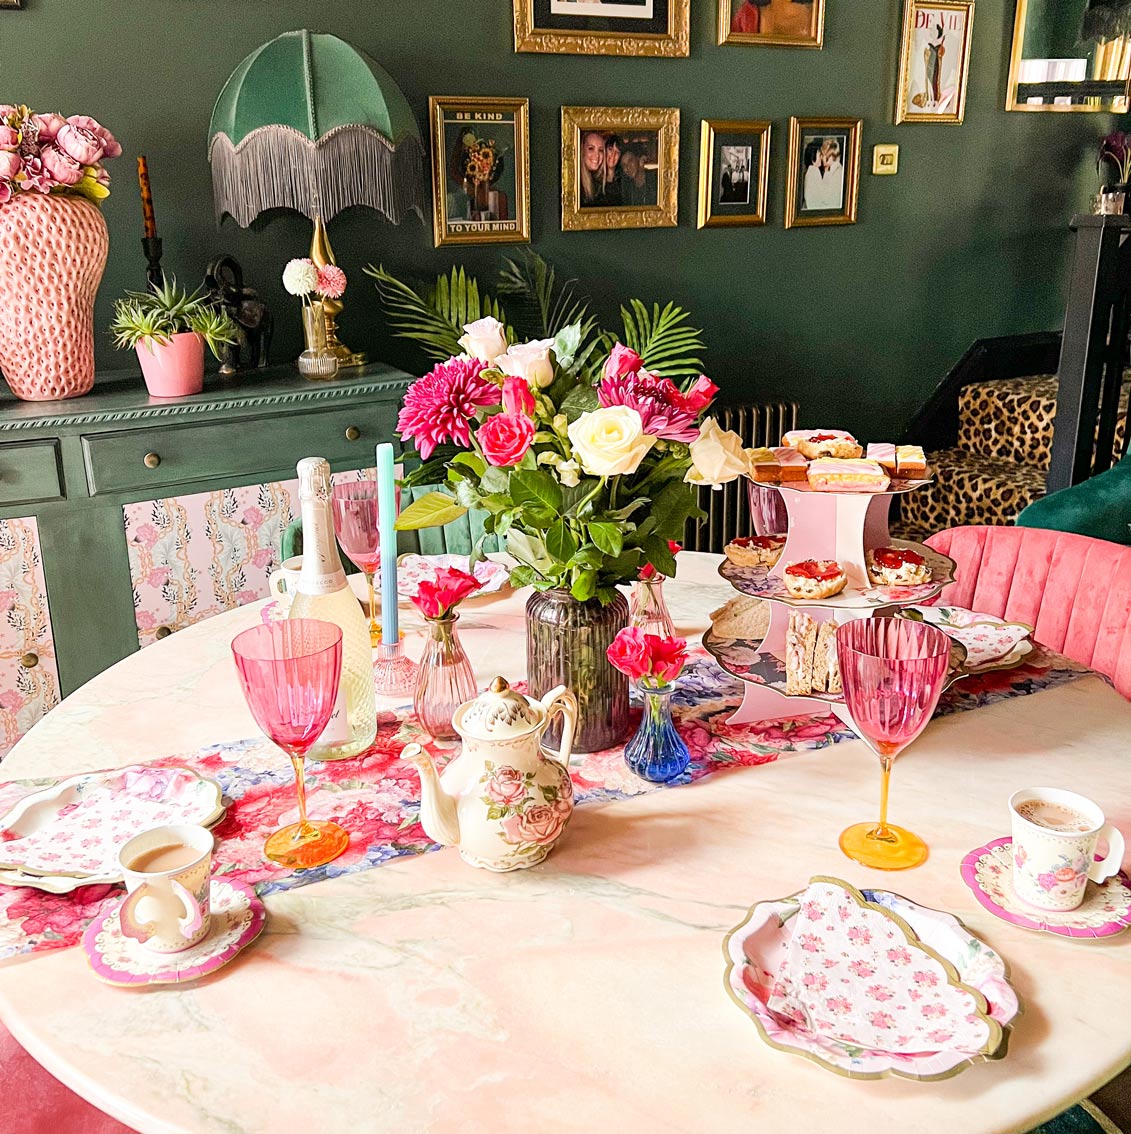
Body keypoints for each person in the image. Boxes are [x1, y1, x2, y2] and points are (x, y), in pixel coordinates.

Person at [579, 131, 606, 207]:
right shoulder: (575, 184)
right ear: (582, 151)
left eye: (600, 150)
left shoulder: (599, 183)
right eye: (591, 148)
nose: (597, 155)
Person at [801, 139, 824, 211]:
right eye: (819, 155)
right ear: (812, 158)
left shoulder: (810, 171)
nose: (821, 157)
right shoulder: (815, 171)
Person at [603, 134, 624, 206]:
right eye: (610, 149)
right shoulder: (594, 180)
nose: (613, 154)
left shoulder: (623, 181)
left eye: (617, 152)